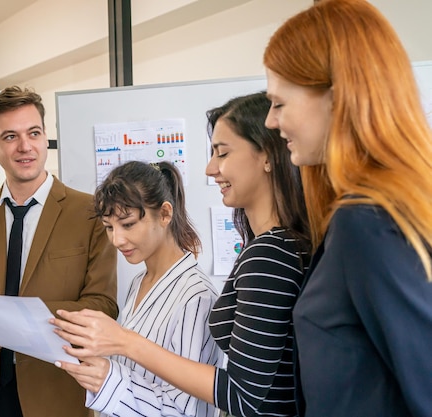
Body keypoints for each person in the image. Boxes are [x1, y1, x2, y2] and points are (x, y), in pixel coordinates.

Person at [52, 92, 310, 417]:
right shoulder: (139, 284)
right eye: (109, 227)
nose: (210, 167)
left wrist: (120, 352)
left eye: (223, 152)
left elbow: (232, 397)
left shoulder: (257, 261)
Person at [262, 1, 432, 416]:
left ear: (337, 100)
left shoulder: (367, 222)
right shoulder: (377, 211)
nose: (270, 121)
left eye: (279, 103)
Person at [0, 86, 118, 417]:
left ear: (45, 136)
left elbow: (101, 305)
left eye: (33, 132)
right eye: (9, 136)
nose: (25, 146)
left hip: (55, 392)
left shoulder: (90, 212)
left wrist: (15, 323)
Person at [59, 160, 222, 417]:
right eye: (109, 227)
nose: (117, 240)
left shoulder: (196, 297)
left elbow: (185, 411)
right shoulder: (139, 282)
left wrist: (109, 381)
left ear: (165, 214)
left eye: (128, 224)